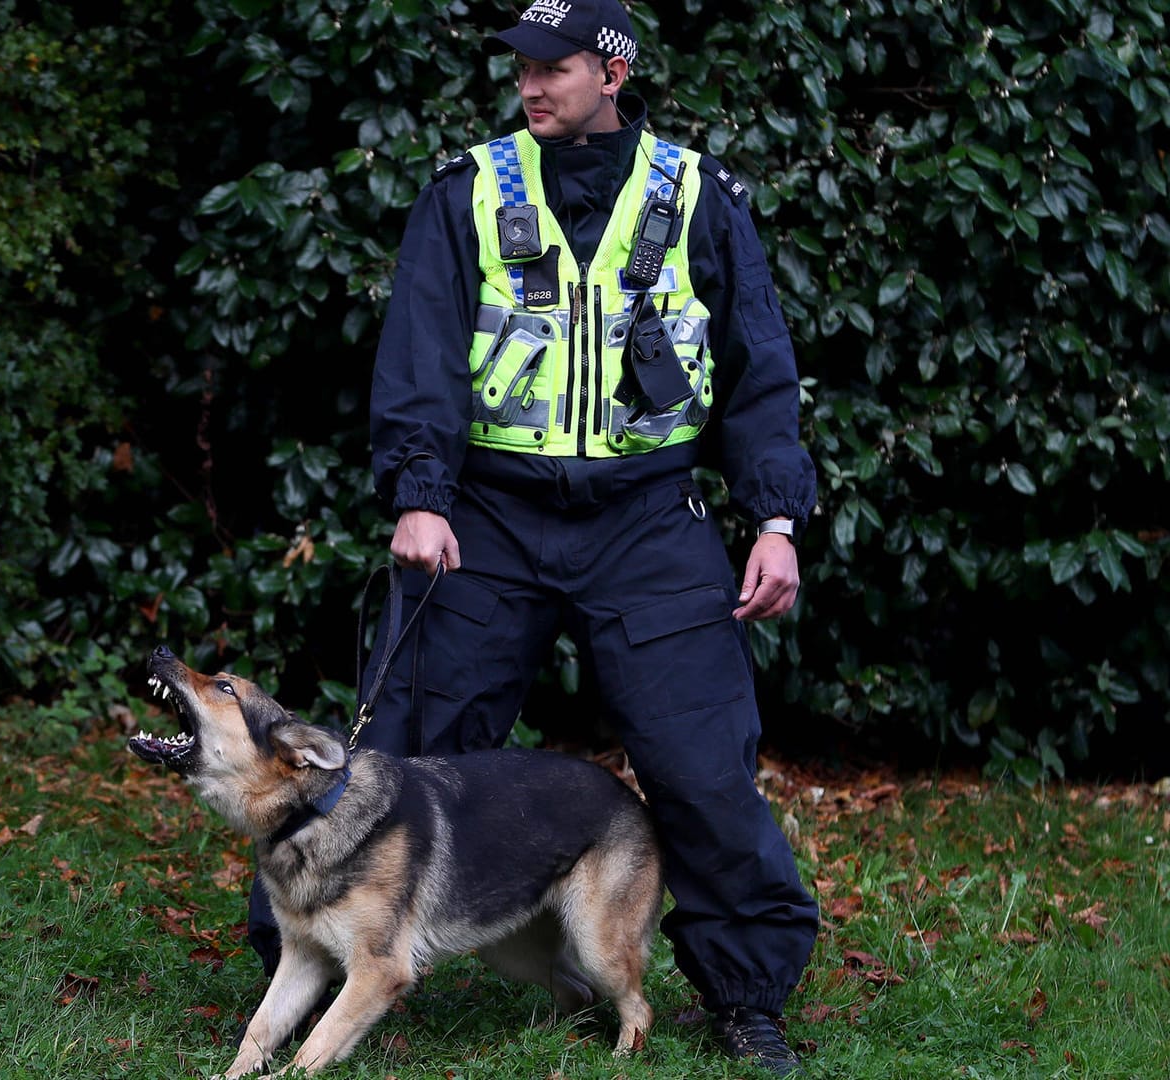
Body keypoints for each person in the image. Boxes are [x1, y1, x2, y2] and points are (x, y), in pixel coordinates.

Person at [255, 0, 819, 1073]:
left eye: (554, 68)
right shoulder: (469, 189)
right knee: (400, 746)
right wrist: (421, 493)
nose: (530, 86)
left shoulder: (699, 198)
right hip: (490, 519)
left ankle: (746, 998)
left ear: (613, 71)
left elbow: (759, 370)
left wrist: (776, 519)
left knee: (702, 768)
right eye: (521, 68)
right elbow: (417, 349)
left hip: (651, 518)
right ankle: (312, 964)